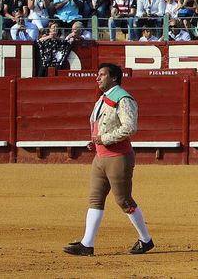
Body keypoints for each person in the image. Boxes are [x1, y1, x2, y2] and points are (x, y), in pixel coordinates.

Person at [63, 62, 155, 256]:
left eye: (102, 74)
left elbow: (130, 127)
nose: (97, 77)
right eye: (98, 74)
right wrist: (96, 142)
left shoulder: (123, 98)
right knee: (95, 199)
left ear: (113, 77)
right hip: (101, 157)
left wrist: (103, 139)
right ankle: (87, 244)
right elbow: (101, 126)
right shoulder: (103, 99)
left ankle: (145, 240)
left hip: (118, 157)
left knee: (123, 200)